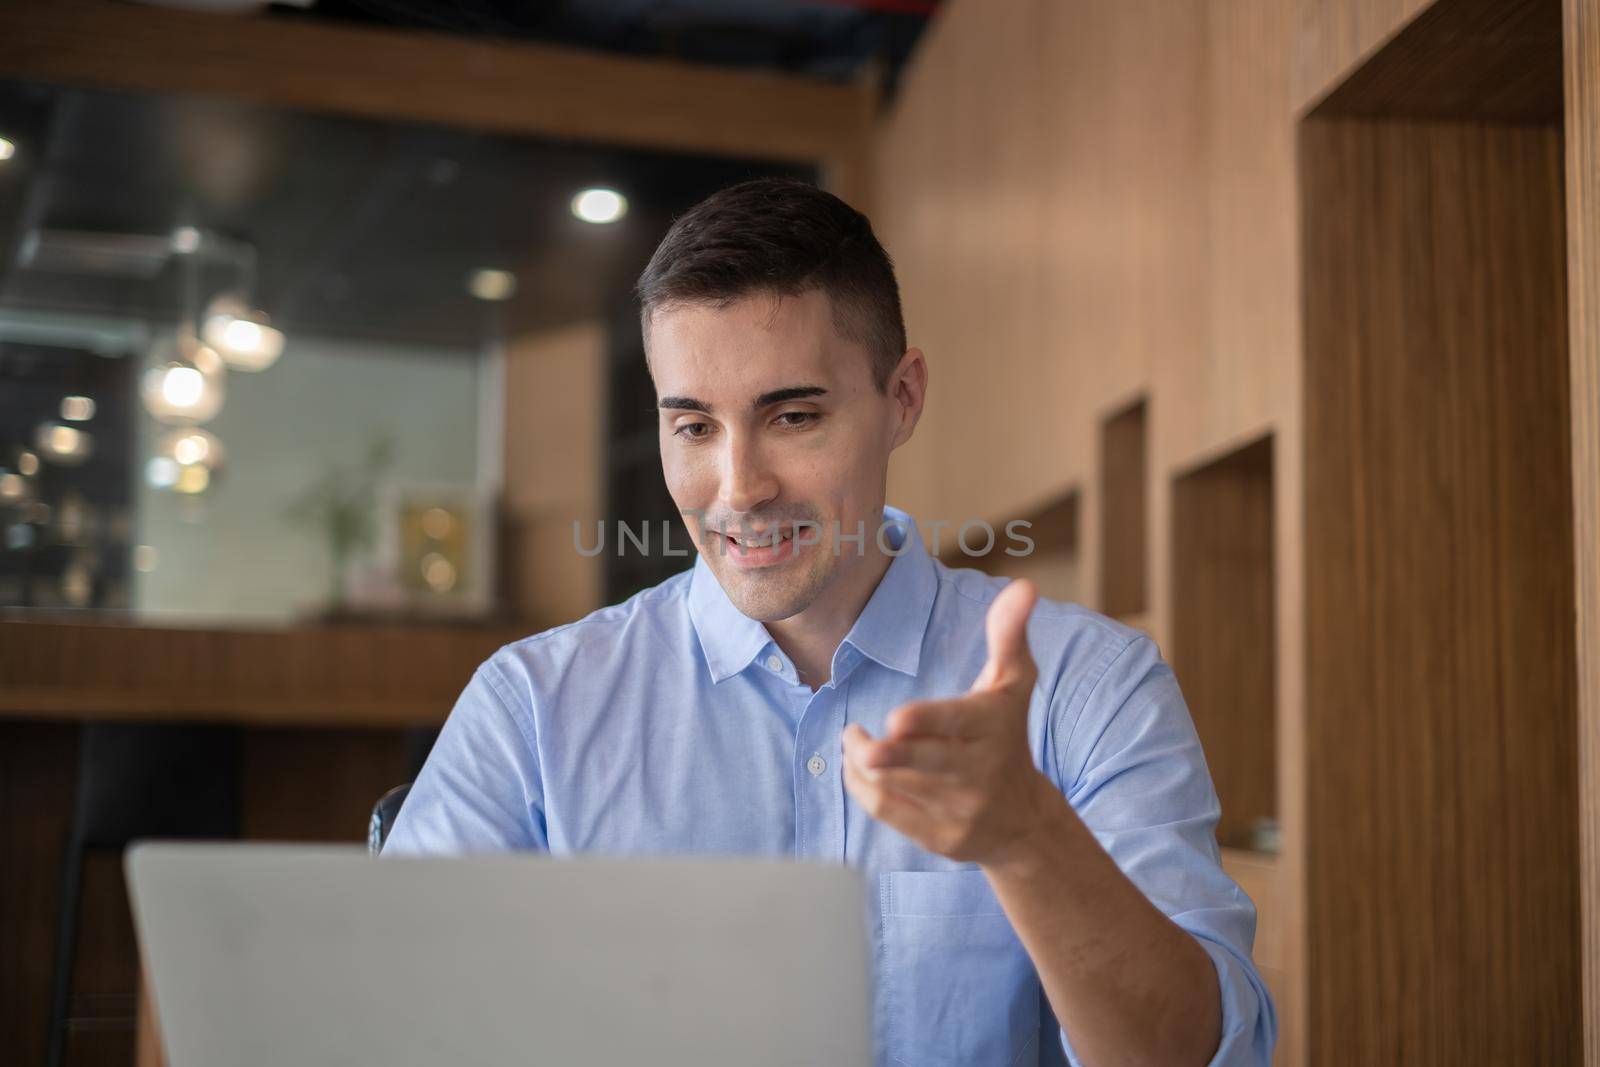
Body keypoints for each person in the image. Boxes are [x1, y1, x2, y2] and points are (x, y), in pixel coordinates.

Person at [385, 177, 1275, 1066]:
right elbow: (386, 1022)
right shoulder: (534, 707)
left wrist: (1029, 840)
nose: (740, 489)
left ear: (904, 399)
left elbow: (1200, 1054)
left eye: (793, 416)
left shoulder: (1090, 685)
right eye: (694, 428)